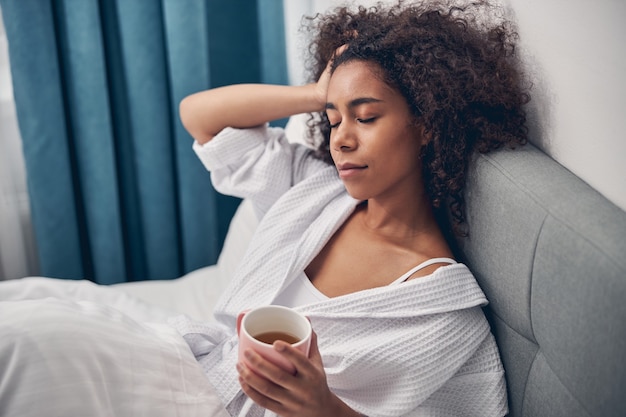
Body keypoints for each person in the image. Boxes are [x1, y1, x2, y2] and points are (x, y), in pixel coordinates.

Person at [0, 1, 529, 416]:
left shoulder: (440, 313)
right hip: (186, 366)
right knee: (23, 333)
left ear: (427, 123)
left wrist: (324, 410)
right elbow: (198, 116)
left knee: (21, 349)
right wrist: (315, 91)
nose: (341, 139)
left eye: (364, 117)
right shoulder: (318, 192)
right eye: (334, 118)